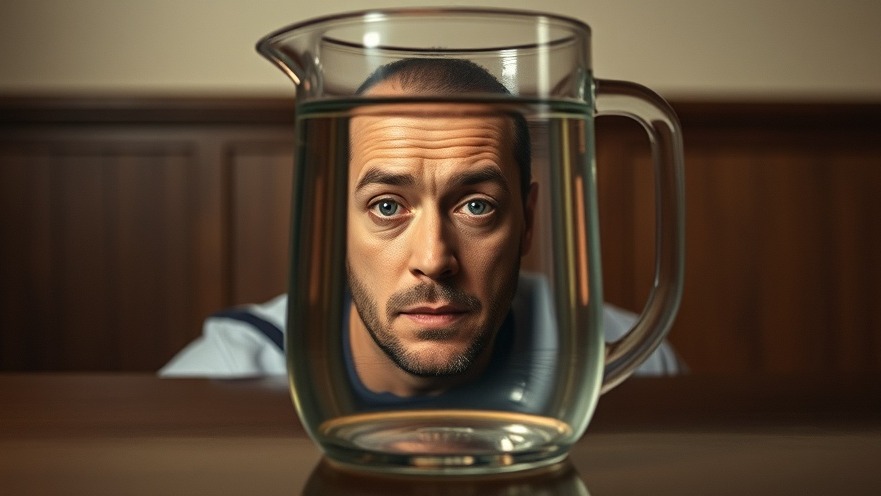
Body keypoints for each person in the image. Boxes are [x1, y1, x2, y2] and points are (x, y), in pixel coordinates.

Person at [160, 59, 682, 401]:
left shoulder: (634, 365)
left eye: (476, 205)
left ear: (526, 221)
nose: (433, 259)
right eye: (387, 206)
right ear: (330, 223)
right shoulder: (228, 376)